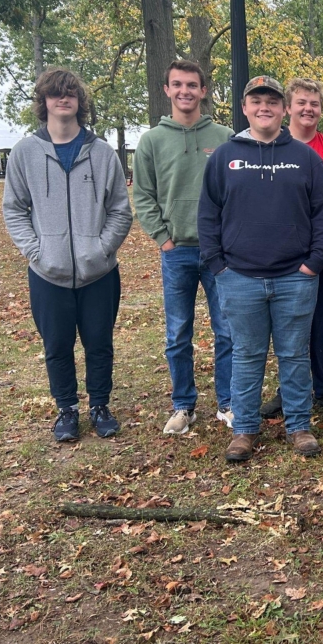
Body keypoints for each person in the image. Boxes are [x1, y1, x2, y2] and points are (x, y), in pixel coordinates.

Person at [198, 76, 323, 462]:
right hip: (239, 277)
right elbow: (208, 215)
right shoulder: (225, 156)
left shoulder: (306, 158)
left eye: (272, 102)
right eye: (256, 101)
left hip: (296, 276)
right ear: (244, 108)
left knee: (294, 355)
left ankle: (299, 425)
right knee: (246, 354)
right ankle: (244, 430)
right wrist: (219, 267)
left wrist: (314, 263)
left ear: (284, 108)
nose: (265, 108)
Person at [2, 67, 132, 442]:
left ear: (80, 102)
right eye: (55, 93)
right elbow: (14, 208)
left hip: (99, 272)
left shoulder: (102, 152)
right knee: (56, 345)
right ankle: (67, 410)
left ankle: (100, 406)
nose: (64, 98)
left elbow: (120, 209)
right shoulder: (26, 153)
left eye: (70, 93)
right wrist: (36, 251)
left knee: (99, 342)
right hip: (48, 272)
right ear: (43, 102)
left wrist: (103, 248)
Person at [132, 60, 234, 436]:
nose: (185, 91)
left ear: (204, 90)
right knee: (178, 333)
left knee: (227, 331)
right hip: (177, 252)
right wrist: (164, 238)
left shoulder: (225, 137)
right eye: (177, 85)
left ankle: (228, 402)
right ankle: (183, 405)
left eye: (192, 85)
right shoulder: (152, 141)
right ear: (167, 90)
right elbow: (143, 195)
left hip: (219, 253)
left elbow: (236, 193)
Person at [259, 78, 323, 419]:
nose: (308, 109)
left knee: (322, 323)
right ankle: (290, 389)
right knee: (288, 327)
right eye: (301, 103)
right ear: (288, 107)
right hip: (281, 253)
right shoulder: (270, 147)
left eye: (314, 104)